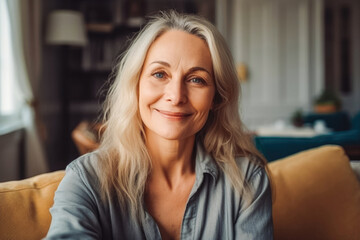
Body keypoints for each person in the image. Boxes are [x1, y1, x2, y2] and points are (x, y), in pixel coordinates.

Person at [45, 11, 273, 240]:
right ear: (135, 86)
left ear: (216, 98)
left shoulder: (247, 180)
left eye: (196, 79)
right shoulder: (86, 178)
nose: (176, 96)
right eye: (160, 74)